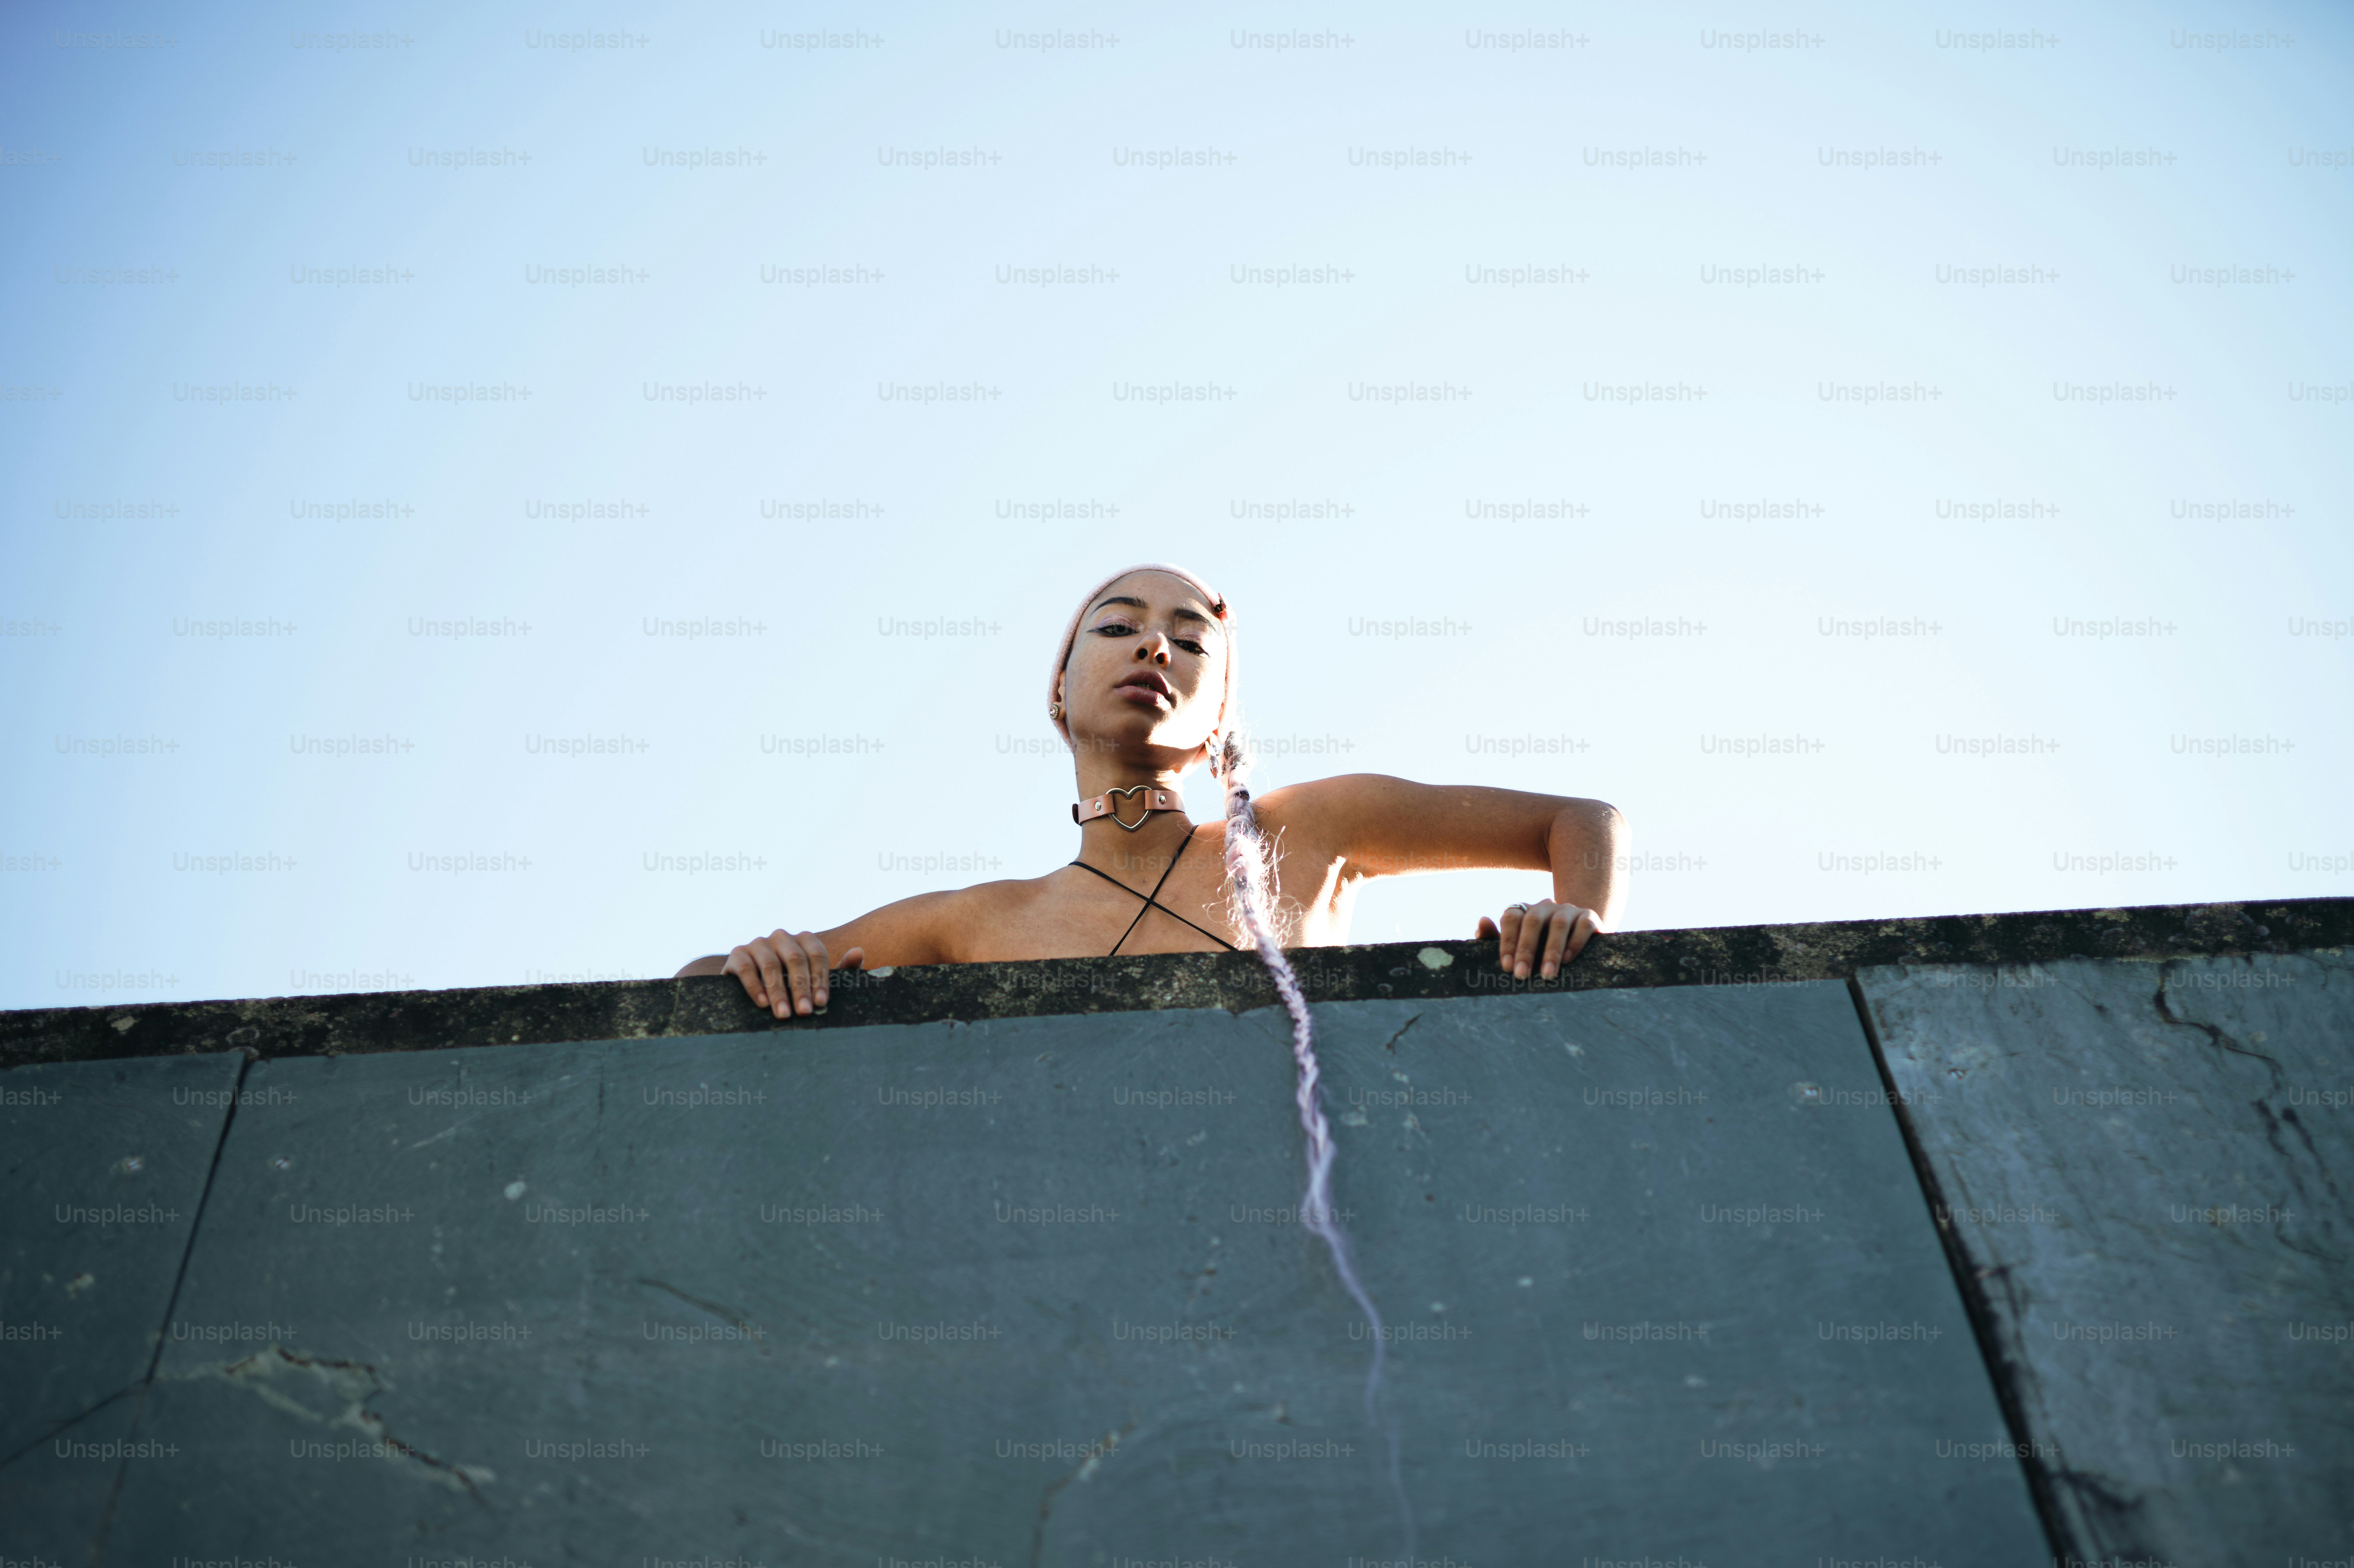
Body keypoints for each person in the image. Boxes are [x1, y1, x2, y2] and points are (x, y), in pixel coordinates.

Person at [677, 564, 1628, 1019]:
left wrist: (1570, 920)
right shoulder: (970, 921)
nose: (1154, 645)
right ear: (1058, 688)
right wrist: (766, 960)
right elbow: (697, 990)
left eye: (1189, 637)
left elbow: (1578, 820)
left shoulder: (1307, 829)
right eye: (1117, 625)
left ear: (1218, 715)